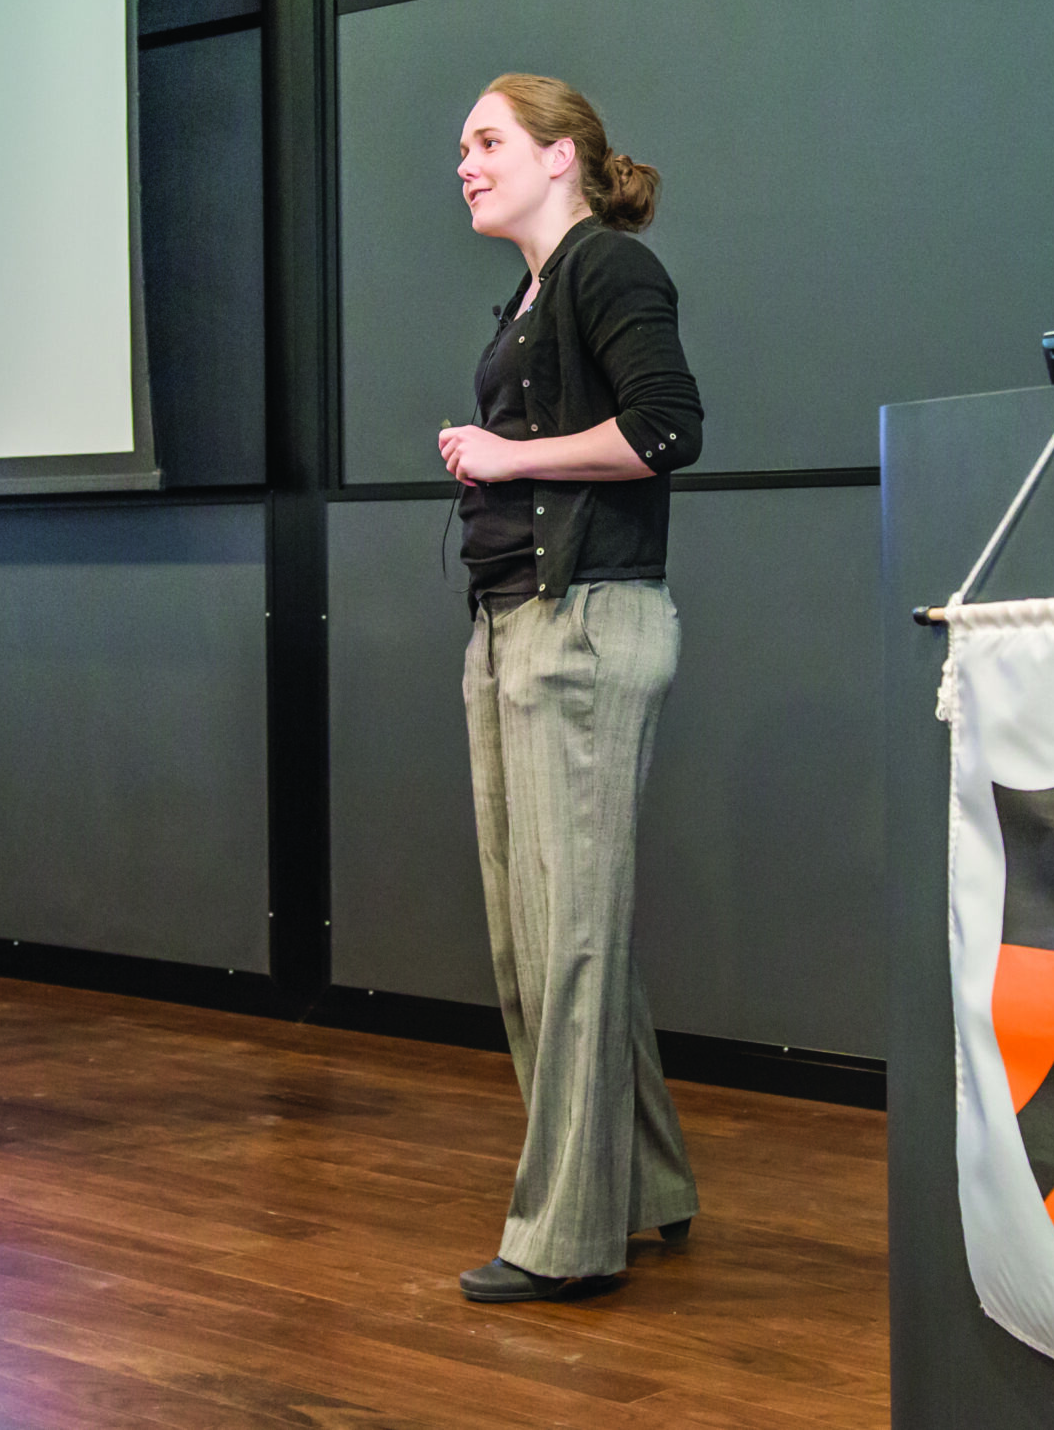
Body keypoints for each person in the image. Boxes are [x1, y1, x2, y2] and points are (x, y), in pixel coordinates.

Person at [437, 74, 703, 1303]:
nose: (466, 164)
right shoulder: (534, 290)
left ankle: (567, 1238)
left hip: (587, 627)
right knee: (542, 941)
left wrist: (506, 454)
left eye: (487, 142)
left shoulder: (609, 269)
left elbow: (663, 432)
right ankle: (645, 1188)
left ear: (560, 156)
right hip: (516, 629)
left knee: (574, 940)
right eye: (462, 148)